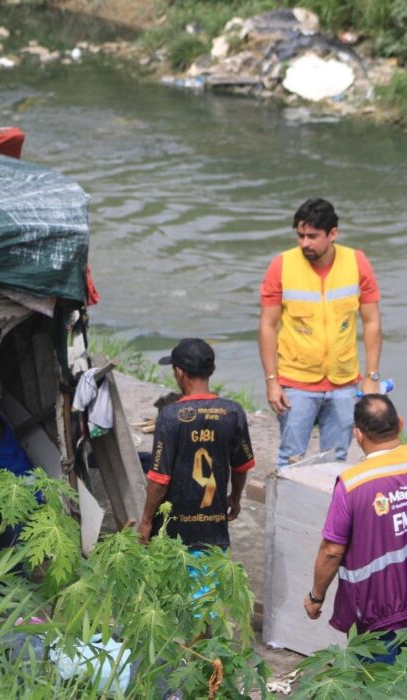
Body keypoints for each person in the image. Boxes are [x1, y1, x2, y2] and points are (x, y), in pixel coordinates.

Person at [302, 395, 407, 663]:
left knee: (377, 685)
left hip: (374, 611)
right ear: (400, 424)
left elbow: (331, 551)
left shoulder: (353, 483)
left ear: (357, 434)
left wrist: (316, 596)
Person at [258, 197, 382, 466]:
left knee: (336, 461)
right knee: (290, 458)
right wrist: (271, 381)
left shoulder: (356, 263)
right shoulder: (281, 266)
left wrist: (372, 376)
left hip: (344, 383)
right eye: (300, 235)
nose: (305, 243)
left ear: (333, 234)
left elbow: (371, 321)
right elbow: (267, 325)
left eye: (312, 236)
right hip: (296, 383)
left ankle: (328, 509)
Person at [138, 338, 256, 550]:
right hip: (214, 534)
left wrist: (146, 520)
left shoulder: (169, 416)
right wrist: (235, 499)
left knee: (175, 582)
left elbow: (159, 479)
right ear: (211, 370)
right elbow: (241, 467)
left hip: (173, 536)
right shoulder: (232, 412)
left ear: (180, 372)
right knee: (210, 581)